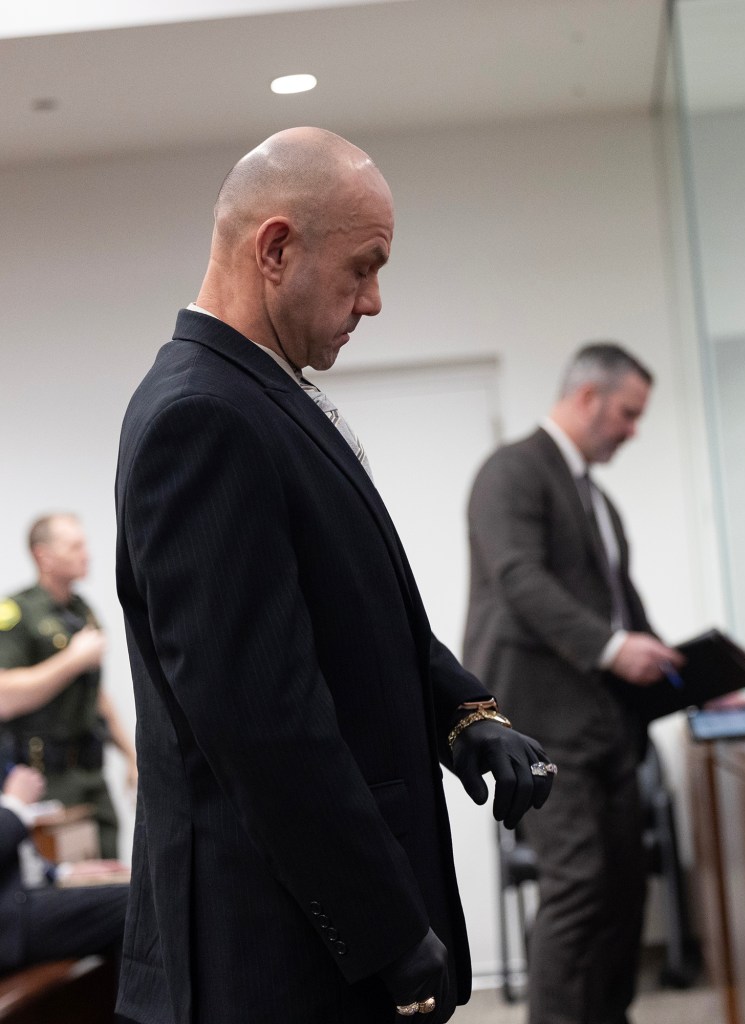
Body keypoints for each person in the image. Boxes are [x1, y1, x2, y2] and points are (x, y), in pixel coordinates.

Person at [114, 126, 554, 1024]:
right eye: (364, 267)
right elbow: (259, 719)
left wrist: (464, 714)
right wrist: (380, 926)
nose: (376, 300)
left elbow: (352, 611)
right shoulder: (202, 416)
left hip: (318, 931)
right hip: (283, 948)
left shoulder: (260, 395)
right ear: (275, 249)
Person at [463, 342, 684, 1024]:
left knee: (620, 888)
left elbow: (618, 608)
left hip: (605, 728)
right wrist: (614, 649)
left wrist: (689, 676)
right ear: (587, 397)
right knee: (578, 885)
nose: (631, 429)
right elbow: (520, 581)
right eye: (626, 412)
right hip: (543, 726)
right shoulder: (513, 471)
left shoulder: (598, 502)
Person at [0, 514, 137, 859]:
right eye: (74, 546)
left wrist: (132, 755)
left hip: (91, 771)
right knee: (68, 887)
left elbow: (94, 694)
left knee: (110, 877)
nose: (86, 554)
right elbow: (5, 696)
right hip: (49, 780)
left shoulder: (81, 611)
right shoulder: (17, 613)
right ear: (43, 555)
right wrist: (73, 660)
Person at [0, 763, 128, 977]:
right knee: (138, 903)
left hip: (17, 901)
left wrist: (62, 873)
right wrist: (15, 803)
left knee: (131, 887)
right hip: (10, 920)